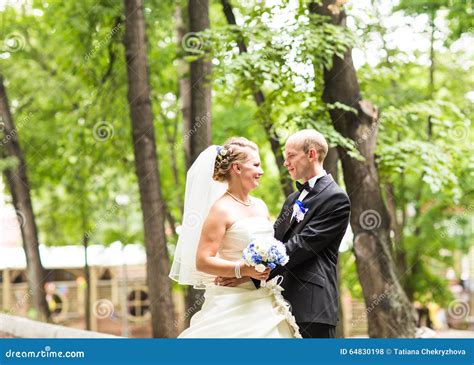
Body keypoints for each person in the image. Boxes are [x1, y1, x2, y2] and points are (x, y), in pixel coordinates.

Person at [217, 130, 351, 338]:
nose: (285, 162)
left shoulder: (336, 198)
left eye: (291, 156)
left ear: (311, 154)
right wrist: (246, 270)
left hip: (313, 306)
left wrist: (247, 272)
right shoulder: (292, 200)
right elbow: (274, 242)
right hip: (278, 302)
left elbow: (302, 245)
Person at [169, 137, 301, 338]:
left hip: (264, 297)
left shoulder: (260, 206)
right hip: (231, 299)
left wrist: (254, 272)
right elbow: (202, 261)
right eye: (256, 165)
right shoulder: (220, 210)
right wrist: (241, 269)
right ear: (237, 168)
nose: (261, 171)